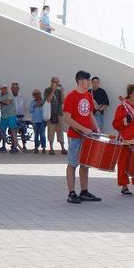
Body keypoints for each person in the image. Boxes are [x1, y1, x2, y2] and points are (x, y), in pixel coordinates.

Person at [62, 70, 101, 204]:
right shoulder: (71, 96)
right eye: (88, 80)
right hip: (75, 136)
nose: (90, 83)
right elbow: (67, 118)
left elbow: (90, 115)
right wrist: (84, 129)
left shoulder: (88, 96)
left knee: (85, 164)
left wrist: (97, 129)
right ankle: (71, 193)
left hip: (87, 136)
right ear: (81, 81)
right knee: (73, 164)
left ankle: (84, 191)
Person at [0, 83, 18, 153]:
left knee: (13, 131)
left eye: (5, 88)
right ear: (0, 89)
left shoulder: (9, 94)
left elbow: (8, 102)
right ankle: (3, 147)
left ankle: (15, 147)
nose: (5, 89)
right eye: (3, 88)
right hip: (3, 115)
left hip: (11, 115)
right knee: (2, 131)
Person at [45, 77, 66, 154]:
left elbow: (64, 101)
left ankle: (63, 148)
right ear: (51, 82)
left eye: (58, 82)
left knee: (60, 130)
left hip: (59, 113)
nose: (57, 84)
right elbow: (48, 100)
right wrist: (53, 90)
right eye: (55, 82)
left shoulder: (59, 91)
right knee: (51, 130)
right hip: (51, 113)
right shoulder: (47, 90)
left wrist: (62, 92)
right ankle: (51, 148)